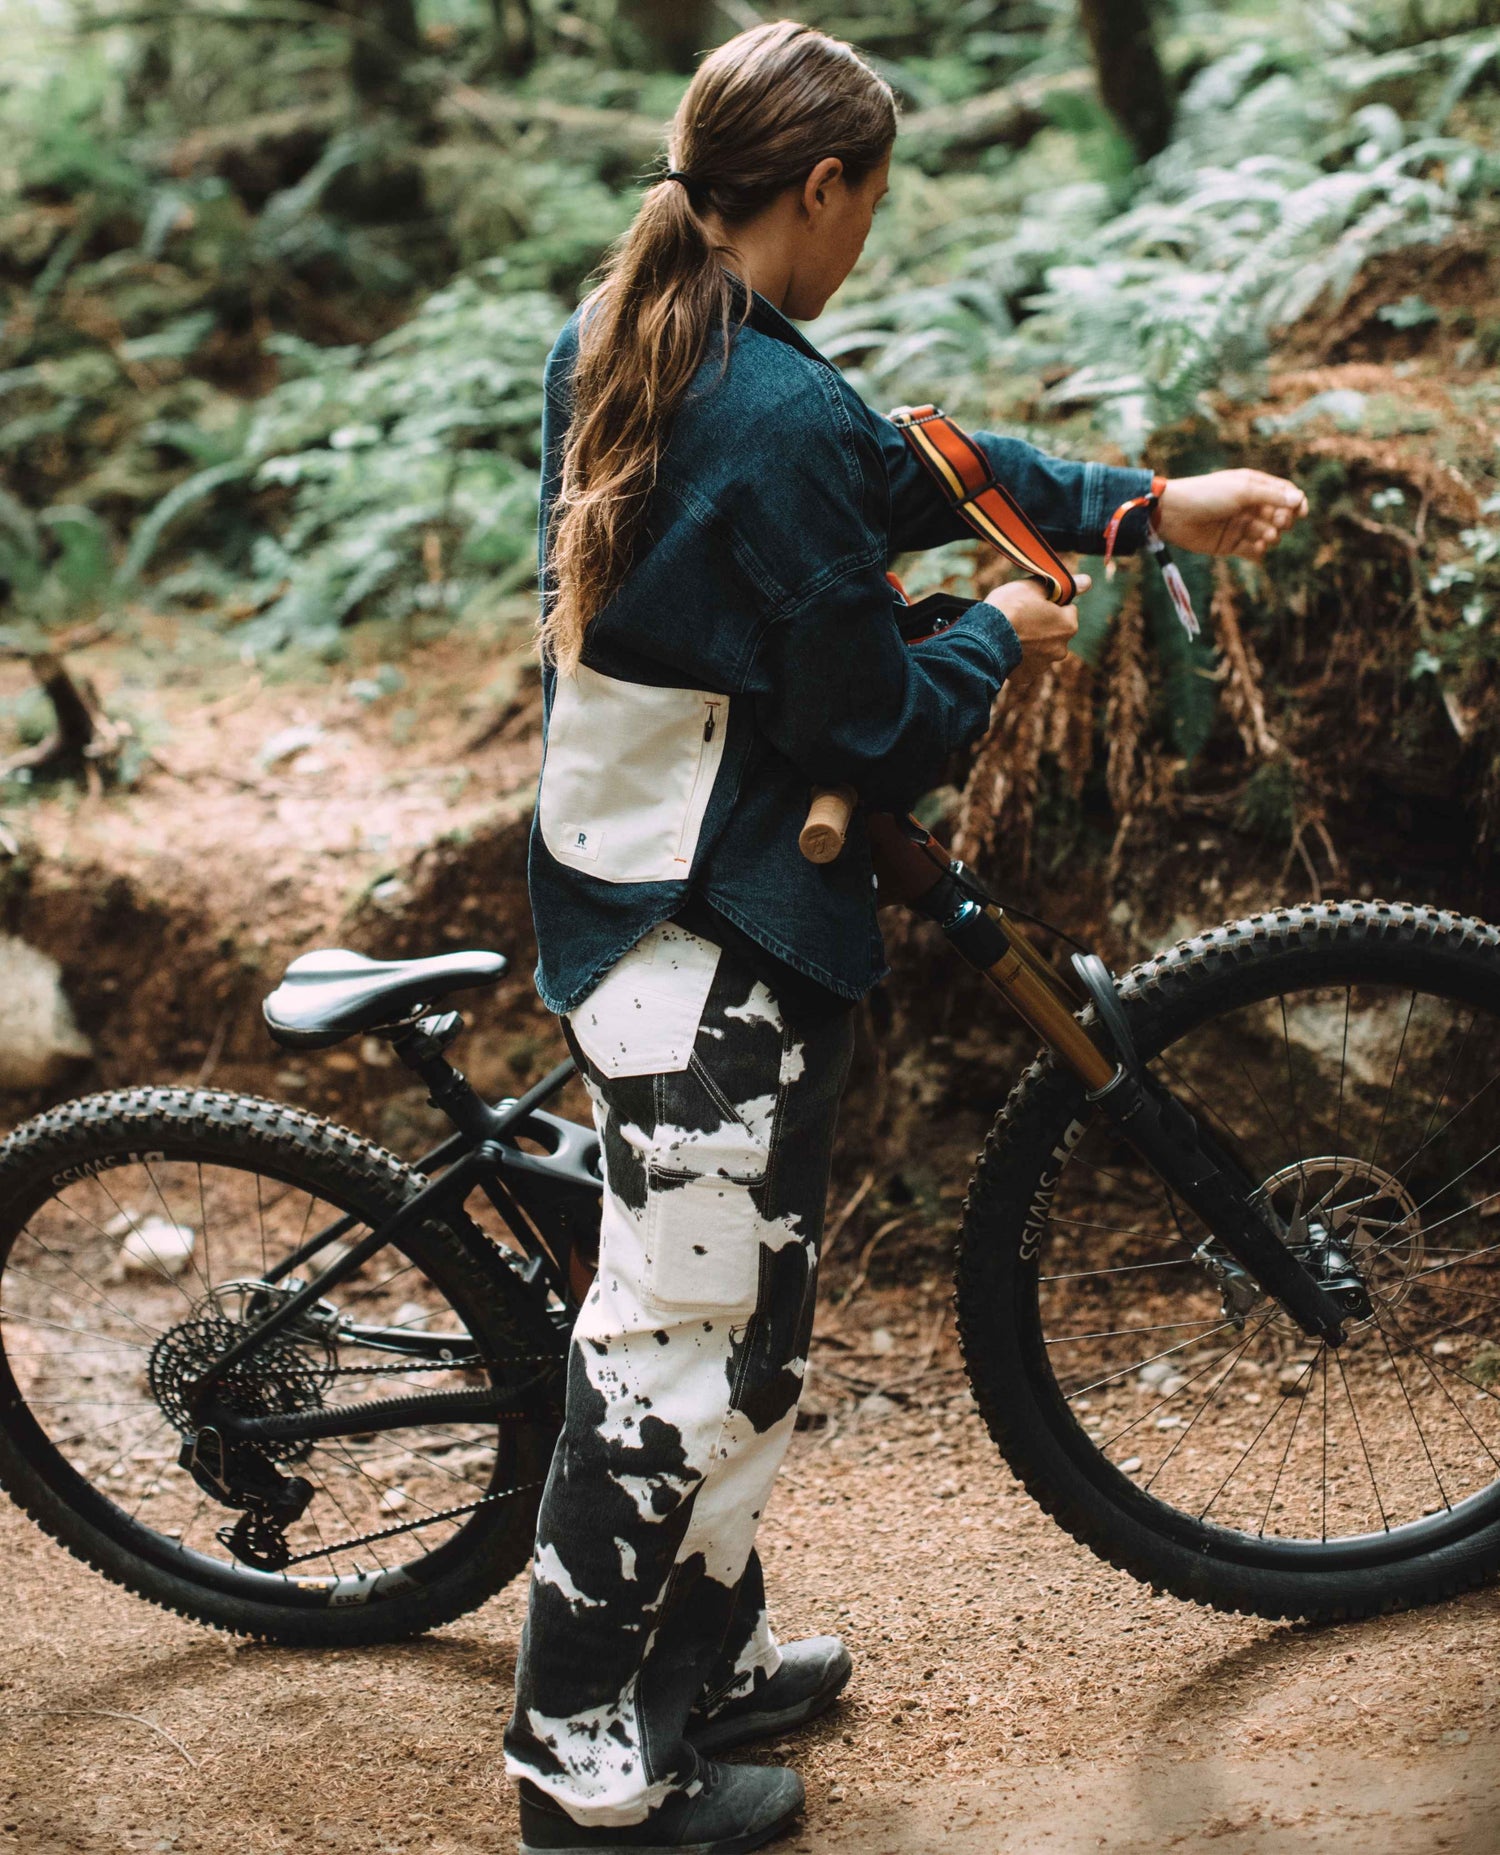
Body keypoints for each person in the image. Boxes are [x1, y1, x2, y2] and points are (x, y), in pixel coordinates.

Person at [504, 21, 1306, 1854]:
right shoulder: (756, 401)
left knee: (753, 1326)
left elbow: (896, 468)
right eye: (872, 199)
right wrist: (991, 645)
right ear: (822, 185)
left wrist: (1140, 509)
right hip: (698, 929)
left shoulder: (643, 323)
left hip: (661, 875)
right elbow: (871, 726)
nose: (870, 230)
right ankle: (574, 1765)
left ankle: (702, 1656)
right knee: (673, 1346)